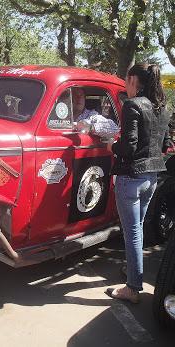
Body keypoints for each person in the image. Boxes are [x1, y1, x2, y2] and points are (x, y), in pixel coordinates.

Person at [106, 63, 173, 303]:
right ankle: (132, 271)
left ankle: (132, 288)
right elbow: (166, 145)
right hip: (151, 178)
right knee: (138, 228)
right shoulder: (164, 108)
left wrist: (111, 145)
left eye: (126, 77)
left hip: (131, 178)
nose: (125, 82)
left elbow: (128, 147)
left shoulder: (132, 105)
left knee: (132, 232)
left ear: (135, 80)